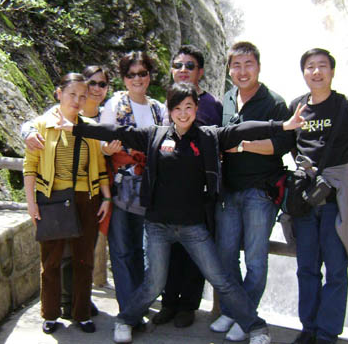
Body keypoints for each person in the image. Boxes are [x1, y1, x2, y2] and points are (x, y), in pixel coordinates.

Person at [56, 82, 307, 344]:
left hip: (193, 227)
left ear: (196, 108)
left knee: (221, 279)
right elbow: (117, 131)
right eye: (177, 108)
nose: (183, 113)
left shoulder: (208, 136)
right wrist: (76, 128)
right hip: (158, 226)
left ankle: (256, 328)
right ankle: (125, 319)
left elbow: (242, 129)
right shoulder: (155, 135)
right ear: (170, 110)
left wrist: (282, 126)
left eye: (188, 107)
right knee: (154, 284)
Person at [287, 48, 348, 344]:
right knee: (306, 268)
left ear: (332, 71)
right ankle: (309, 328)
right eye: (310, 66)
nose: (316, 72)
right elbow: (289, 143)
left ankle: (327, 333)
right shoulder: (296, 107)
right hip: (305, 201)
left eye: (322, 66)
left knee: (336, 270)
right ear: (303, 73)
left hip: (336, 201)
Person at [20, 65, 117, 319]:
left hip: (87, 198)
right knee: (51, 260)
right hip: (52, 198)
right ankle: (50, 314)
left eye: (82, 96)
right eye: (72, 94)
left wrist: (106, 197)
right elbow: (30, 166)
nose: (77, 100)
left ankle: (81, 314)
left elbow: (100, 167)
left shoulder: (90, 127)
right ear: (59, 93)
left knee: (84, 259)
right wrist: (31, 203)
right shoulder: (42, 126)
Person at [211, 41, 292, 342]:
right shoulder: (228, 99)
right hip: (229, 191)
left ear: (258, 66)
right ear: (229, 69)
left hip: (260, 192)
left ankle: (246, 319)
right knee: (226, 256)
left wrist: (243, 147)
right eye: (236, 65)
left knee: (256, 260)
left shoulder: (274, 102)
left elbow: (283, 145)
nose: (242, 71)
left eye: (248, 64)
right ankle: (234, 311)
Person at [152, 45, 222, 328]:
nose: (183, 70)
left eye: (190, 66)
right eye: (178, 65)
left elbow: (219, 142)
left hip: (197, 194)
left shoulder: (212, 104)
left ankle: (187, 306)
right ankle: (168, 303)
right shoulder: (167, 101)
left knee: (193, 254)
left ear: (200, 72)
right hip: (167, 193)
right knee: (170, 252)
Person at [99, 51, 165, 317]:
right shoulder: (115, 105)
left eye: (142, 73)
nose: (137, 79)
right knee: (122, 248)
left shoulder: (158, 109)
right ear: (124, 78)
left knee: (142, 250)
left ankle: (137, 305)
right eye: (131, 74)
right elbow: (102, 141)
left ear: (149, 75)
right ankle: (128, 313)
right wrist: (107, 149)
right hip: (121, 186)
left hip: (150, 187)